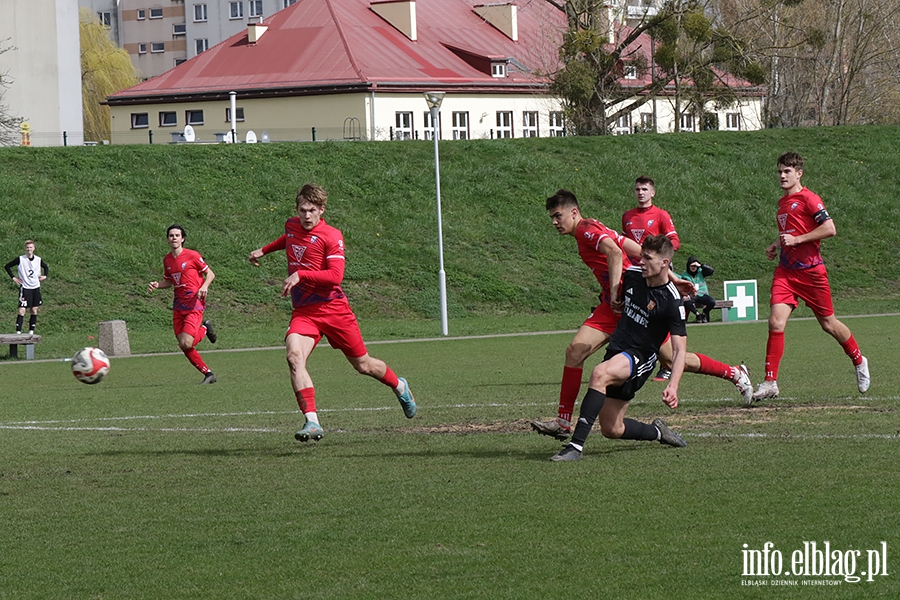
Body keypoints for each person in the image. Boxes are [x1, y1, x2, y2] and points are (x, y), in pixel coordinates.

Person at [531, 192, 753, 442]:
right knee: (574, 352)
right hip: (613, 304)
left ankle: (733, 373)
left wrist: (617, 289)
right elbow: (632, 246)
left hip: (632, 299)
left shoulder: (585, 230)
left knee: (671, 359)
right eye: (552, 217)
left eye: (558, 215)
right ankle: (563, 422)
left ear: (573, 212)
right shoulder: (591, 227)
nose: (554, 222)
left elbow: (615, 253)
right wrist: (673, 276)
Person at [248, 183, 416, 443]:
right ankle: (312, 422)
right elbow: (290, 240)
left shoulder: (331, 235)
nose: (306, 215)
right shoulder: (291, 226)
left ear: (321, 210)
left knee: (364, 365)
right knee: (294, 358)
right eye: (302, 210)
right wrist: (265, 250)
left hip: (334, 310)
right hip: (304, 311)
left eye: (311, 210)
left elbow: (336, 276)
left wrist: (300, 273)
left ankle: (400, 387)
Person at [551, 235, 690, 461]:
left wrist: (673, 386)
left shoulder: (672, 302)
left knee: (599, 373)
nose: (641, 261)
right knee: (611, 429)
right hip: (618, 350)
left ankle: (575, 447)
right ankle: (658, 432)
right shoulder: (634, 276)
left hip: (640, 358)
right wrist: (615, 298)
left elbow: (679, 350)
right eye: (641, 256)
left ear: (664, 263)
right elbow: (615, 254)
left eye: (647, 258)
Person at [752, 152, 869, 401]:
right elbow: (792, 231)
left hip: (811, 272)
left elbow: (829, 229)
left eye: (787, 171)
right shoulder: (783, 202)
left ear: (799, 173)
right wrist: (777, 244)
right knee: (775, 323)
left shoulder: (809, 198)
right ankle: (770, 381)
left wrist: (796, 240)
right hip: (786, 271)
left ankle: (859, 361)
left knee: (828, 324)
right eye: (780, 171)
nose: (782, 176)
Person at [622, 175, 680, 380]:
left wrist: (659, 255)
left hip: (657, 273)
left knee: (657, 316)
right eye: (637, 189)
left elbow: (674, 240)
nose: (640, 193)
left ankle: (666, 362)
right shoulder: (627, 216)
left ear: (653, 193)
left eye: (645, 189)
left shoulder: (661, 215)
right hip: (636, 272)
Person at [147, 224, 218, 385]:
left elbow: (210, 274)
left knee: (186, 342)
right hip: (178, 305)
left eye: (177, 235)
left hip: (194, 303)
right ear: (167, 239)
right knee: (183, 345)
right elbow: (169, 281)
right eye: (171, 235)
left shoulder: (192, 256)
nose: (174, 238)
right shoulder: (167, 260)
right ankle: (208, 374)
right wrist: (157, 285)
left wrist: (204, 286)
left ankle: (205, 328)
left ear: (182, 239)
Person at [5, 240, 48, 335]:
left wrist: (45, 275)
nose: (29, 249)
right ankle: (18, 331)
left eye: (31, 247)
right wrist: (13, 277)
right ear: (25, 248)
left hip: (35, 287)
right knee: (22, 310)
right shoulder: (20, 259)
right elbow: (7, 266)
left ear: (34, 248)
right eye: (27, 247)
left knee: (34, 309)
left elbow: (45, 267)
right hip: (25, 287)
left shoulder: (38, 259)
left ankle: (31, 331)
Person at [680, 256, 716, 323]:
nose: (693, 267)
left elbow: (711, 271)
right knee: (686, 302)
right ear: (688, 266)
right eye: (691, 266)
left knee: (712, 302)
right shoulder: (685, 275)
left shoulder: (701, 272)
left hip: (702, 294)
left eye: (695, 266)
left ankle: (704, 313)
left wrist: (701, 265)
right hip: (692, 294)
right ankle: (697, 314)